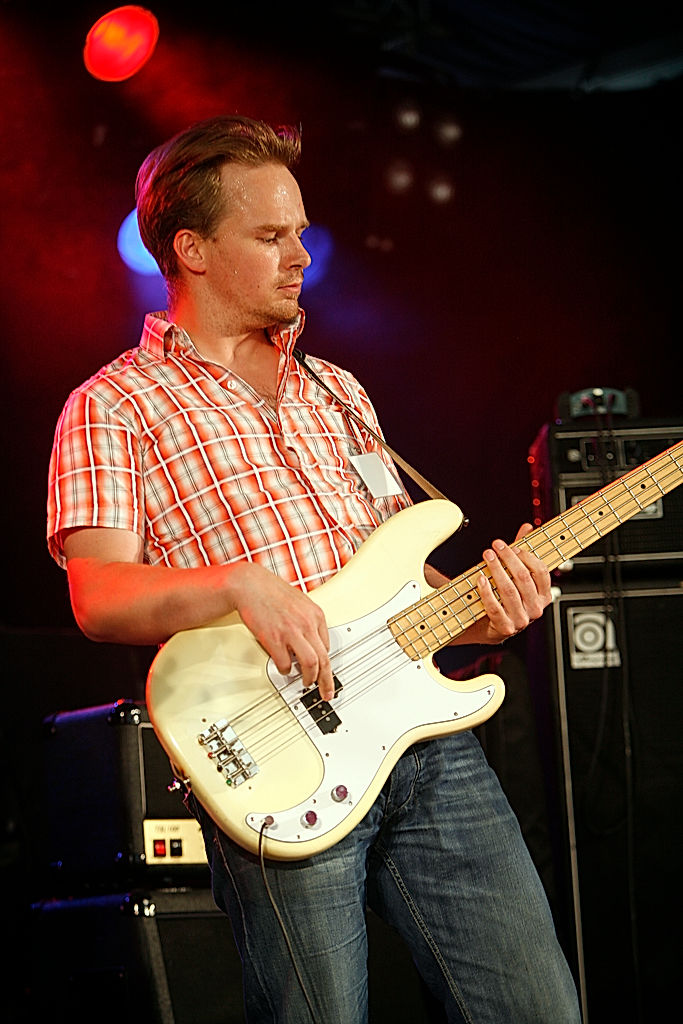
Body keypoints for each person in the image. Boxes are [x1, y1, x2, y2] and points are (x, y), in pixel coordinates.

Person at [47, 115, 581, 1023]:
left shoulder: (338, 391)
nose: (300, 255)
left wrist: (482, 612)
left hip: (428, 747)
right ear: (192, 250)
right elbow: (97, 597)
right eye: (269, 236)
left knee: (538, 1010)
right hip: (280, 757)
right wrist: (238, 583)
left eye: (299, 231)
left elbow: (404, 583)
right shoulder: (114, 404)